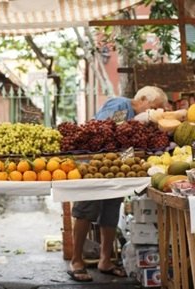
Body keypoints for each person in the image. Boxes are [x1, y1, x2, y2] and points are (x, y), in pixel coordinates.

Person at [67, 86, 168, 282]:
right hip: (95, 166)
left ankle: (105, 260)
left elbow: (123, 148)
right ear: (144, 99)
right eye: (154, 107)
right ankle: (76, 260)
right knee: (87, 209)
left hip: (114, 168)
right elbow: (105, 131)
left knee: (111, 209)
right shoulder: (121, 105)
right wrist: (134, 124)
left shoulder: (141, 119)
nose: (155, 113)